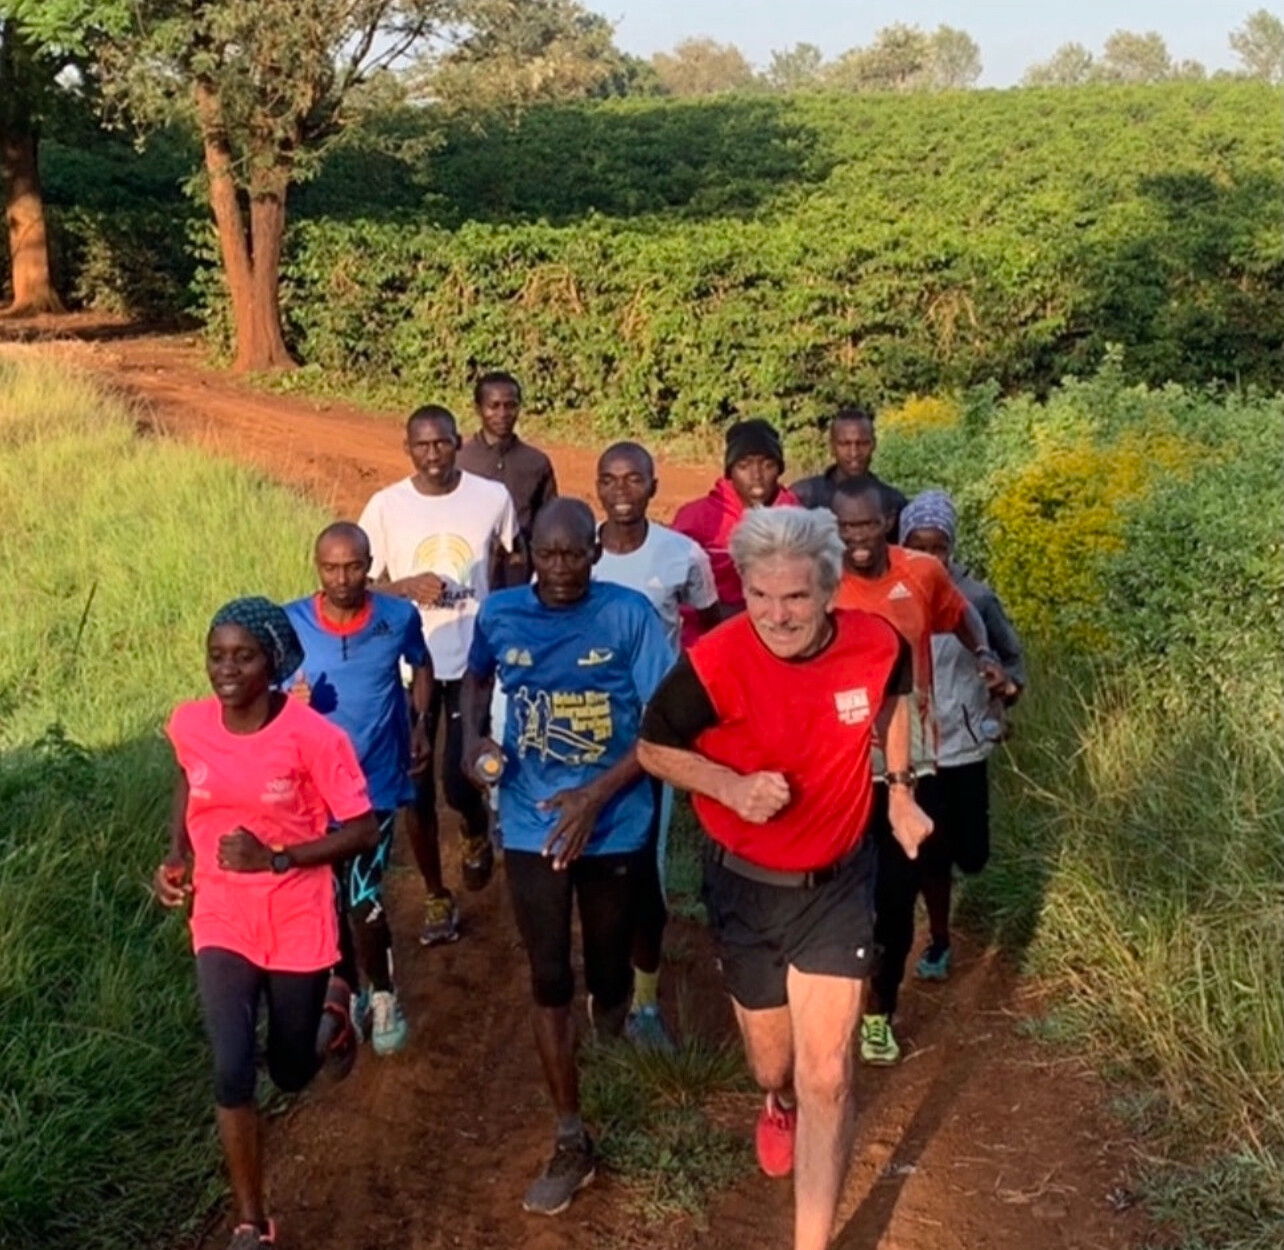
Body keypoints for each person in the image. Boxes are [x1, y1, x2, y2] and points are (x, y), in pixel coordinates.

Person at [637, 507, 932, 1250]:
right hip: (744, 886)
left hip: (837, 884)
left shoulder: (876, 642)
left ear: (830, 591)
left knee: (827, 1074)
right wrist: (729, 787)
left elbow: (894, 697)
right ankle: (776, 1100)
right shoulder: (717, 661)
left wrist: (899, 790)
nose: (777, 615)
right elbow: (652, 747)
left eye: (796, 597)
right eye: (761, 596)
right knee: (775, 1063)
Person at [460, 498, 675, 1216]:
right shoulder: (501, 614)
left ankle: (613, 1017)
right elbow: (476, 678)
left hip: (616, 821)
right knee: (549, 971)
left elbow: (663, 723)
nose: (558, 569)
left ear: (596, 553)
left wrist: (594, 797)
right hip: (530, 818)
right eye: (547, 555)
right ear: (529, 554)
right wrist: (474, 744)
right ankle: (570, 1134)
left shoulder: (628, 617)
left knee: (607, 972)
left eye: (573, 554)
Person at [155, 597, 378, 1250]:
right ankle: (252, 1222)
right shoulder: (189, 723)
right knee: (231, 1069)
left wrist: (275, 857)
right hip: (221, 915)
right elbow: (187, 778)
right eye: (216, 655)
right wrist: (176, 856)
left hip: (296, 915)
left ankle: (335, 1016)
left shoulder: (315, 737)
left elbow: (362, 830)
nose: (226, 669)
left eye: (243, 657)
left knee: (289, 1071)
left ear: (273, 663)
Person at [830, 478, 1006, 1066]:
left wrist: (984, 654)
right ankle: (827, 1004)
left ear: (888, 523)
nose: (855, 538)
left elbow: (962, 615)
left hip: (912, 761)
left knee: (896, 894)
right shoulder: (822, 579)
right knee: (837, 889)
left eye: (865, 524)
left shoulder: (922, 574)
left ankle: (879, 1013)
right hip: (840, 762)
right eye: (844, 527)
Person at [359, 404, 518, 946]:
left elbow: (511, 564)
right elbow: (357, 584)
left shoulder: (492, 498)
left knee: (460, 777)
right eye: (422, 445)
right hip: (409, 666)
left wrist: (505, 625)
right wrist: (405, 587)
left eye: (442, 443)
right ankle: (435, 895)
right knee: (415, 789)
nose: (433, 454)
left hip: (474, 661)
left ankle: (474, 829)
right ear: (407, 448)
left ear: (458, 442)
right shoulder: (386, 507)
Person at [284, 522, 433, 1055]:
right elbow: (264, 691)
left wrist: (420, 723)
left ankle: (385, 995)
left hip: (375, 782)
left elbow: (421, 665)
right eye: (331, 568)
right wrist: (289, 702)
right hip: (309, 790)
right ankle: (345, 989)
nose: (342, 579)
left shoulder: (398, 617)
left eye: (353, 567)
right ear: (316, 567)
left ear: (370, 567)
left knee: (363, 893)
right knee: (326, 895)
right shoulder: (290, 623)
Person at [593, 440, 720, 1049]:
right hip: (583, 732)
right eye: (610, 480)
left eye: (634, 479)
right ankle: (601, 986)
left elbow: (711, 626)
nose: (622, 492)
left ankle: (644, 1002)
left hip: (652, 733)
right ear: (597, 487)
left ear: (653, 485)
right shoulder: (575, 552)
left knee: (648, 863)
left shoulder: (682, 554)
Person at [899, 490, 1026, 980]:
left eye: (939, 547)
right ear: (903, 545)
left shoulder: (977, 600)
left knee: (972, 855)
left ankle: (952, 861)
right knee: (932, 853)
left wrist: (1004, 694)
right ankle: (939, 940)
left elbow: (1011, 662)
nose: (930, 557)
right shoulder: (890, 599)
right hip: (916, 749)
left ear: (952, 547)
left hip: (968, 744)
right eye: (918, 546)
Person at [671, 418, 800, 644]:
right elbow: (675, 591)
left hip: (780, 637)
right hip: (709, 638)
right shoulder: (696, 519)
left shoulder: (799, 518)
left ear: (779, 469)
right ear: (730, 472)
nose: (757, 475)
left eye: (767, 465)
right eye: (744, 466)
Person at [456, 370, 558, 588]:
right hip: (468, 570)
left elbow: (548, 520)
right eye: (494, 406)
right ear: (478, 409)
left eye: (510, 405)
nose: (502, 414)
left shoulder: (536, 462)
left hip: (520, 572)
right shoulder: (460, 460)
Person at [790, 405, 909, 535]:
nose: (854, 453)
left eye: (862, 443)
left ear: (873, 444)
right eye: (845, 444)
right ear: (832, 446)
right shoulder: (804, 497)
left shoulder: (892, 502)